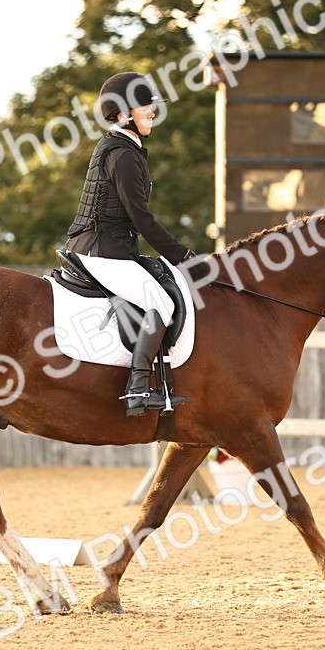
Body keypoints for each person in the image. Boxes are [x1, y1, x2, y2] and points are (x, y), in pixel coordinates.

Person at [65, 72, 195, 417]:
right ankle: (137, 388)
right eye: (144, 107)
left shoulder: (123, 149)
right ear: (123, 114)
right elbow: (143, 221)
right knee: (161, 304)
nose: (152, 111)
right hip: (103, 252)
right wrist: (184, 256)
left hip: (107, 248)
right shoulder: (122, 155)